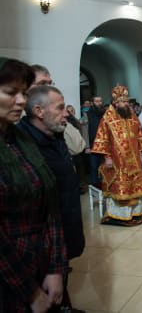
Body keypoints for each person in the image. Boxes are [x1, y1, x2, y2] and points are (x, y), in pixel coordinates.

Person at [0, 59, 67, 313]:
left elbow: (49, 204)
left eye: (23, 93)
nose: (20, 101)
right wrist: (29, 291)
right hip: (11, 278)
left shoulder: (20, 139)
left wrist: (56, 268)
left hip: (43, 263)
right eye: (10, 93)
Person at [19, 85, 86, 313]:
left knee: (59, 293)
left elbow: (79, 147)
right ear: (38, 111)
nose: (66, 112)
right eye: (59, 108)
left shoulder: (55, 134)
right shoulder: (24, 143)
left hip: (64, 233)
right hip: (42, 245)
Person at [91, 85, 142, 226]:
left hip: (134, 159)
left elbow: (140, 136)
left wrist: (141, 153)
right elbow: (102, 138)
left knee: (134, 186)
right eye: (123, 102)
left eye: (127, 101)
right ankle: (119, 214)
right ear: (115, 103)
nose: (126, 104)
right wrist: (107, 157)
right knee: (120, 187)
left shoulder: (132, 116)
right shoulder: (108, 117)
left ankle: (135, 212)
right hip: (117, 160)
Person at [86, 96, 105, 187]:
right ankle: (95, 186)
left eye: (100, 101)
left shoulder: (104, 113)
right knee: (94, 167)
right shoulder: (88, 114)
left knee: (104, 165)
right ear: (93, 102)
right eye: (97, 101)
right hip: (92, 144)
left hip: (104, 144)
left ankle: (104, 185)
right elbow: (85, 130)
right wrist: (87, 146)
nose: (99, 103)